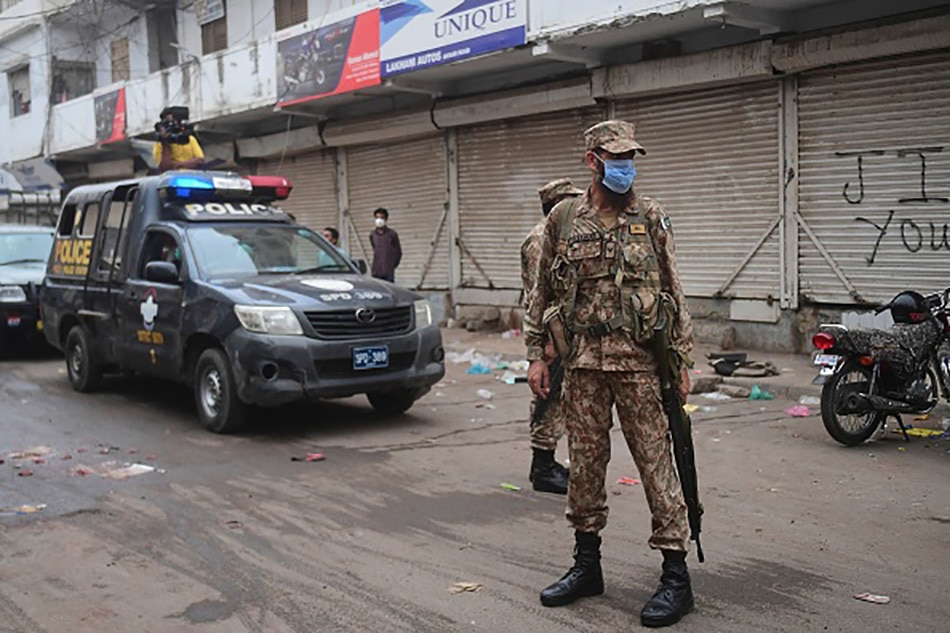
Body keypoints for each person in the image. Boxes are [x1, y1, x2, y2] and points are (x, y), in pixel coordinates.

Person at [524, 120, 695, 628]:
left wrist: (682, 362)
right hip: (583, 367)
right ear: (592, 161)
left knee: (657, 468)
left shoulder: (651, 215)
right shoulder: (563, 219)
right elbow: (540, 292)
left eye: (629, 158)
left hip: (640, 366)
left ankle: (676, 577)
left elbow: (675, 290)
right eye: (615, 158)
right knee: (585, 469)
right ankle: (586, 565)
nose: (625, 167)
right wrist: (536, 355)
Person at [521, 178, 583, 494]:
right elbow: (539, 295)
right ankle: (542, 468)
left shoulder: (561, 235)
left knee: (563, 398)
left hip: (565, 334)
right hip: (551, 336)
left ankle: (549, 463)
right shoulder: (540, 239)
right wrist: (544, 345)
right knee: (549, 397)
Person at [153, 106, 205, 173]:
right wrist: (165, 144)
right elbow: (166, 168)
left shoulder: (189, 138)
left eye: (175, 121)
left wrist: (179, 165)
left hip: (191, 176)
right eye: (169, 123)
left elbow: (200, 160)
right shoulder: (159, 145)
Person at [369, 208, 401, 282]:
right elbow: (374, 248)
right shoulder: (372, 235)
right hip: (376, 271)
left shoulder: (392, 234)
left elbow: (398, 252)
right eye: (377, 217)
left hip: (388, 272)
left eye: (381, 217)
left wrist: (392, 265)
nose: (379, 220)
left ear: (386, 219)